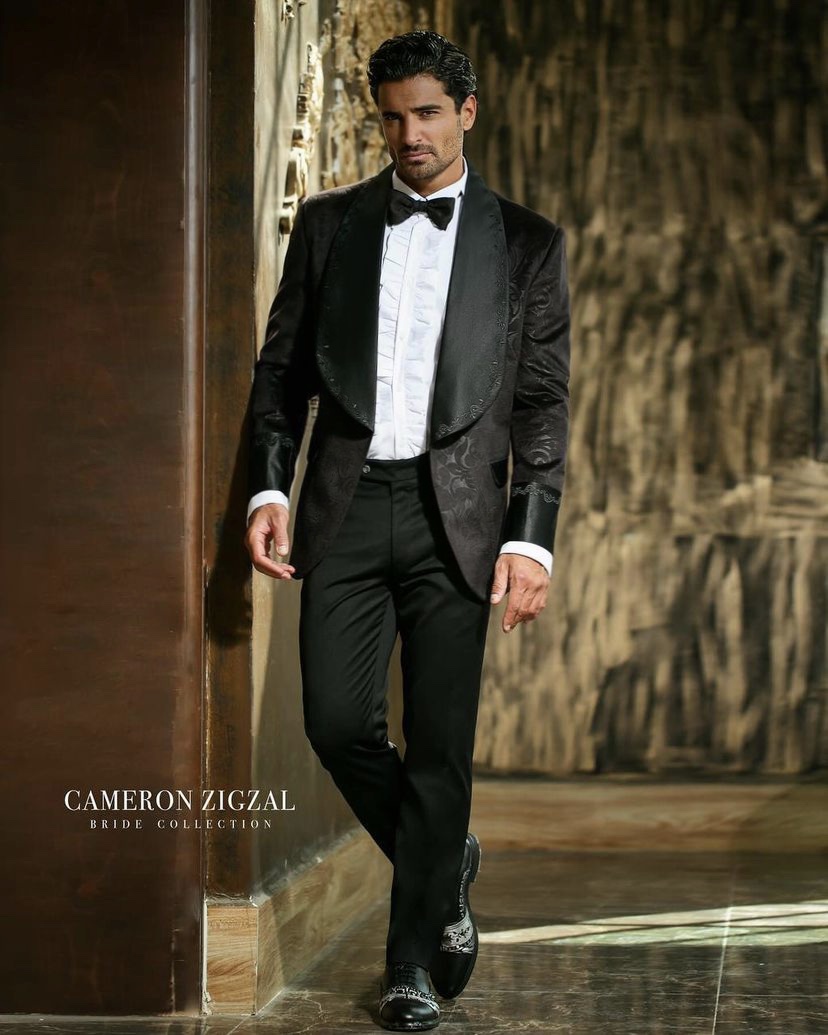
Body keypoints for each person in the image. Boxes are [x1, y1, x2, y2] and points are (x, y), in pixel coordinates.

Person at [244, 30, 570, 1033]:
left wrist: (530, 537)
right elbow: (280, 374)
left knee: (439, 747)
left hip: (459, 521)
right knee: (338, 724)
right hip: (345, 506)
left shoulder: (528, 244)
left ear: (466, 112)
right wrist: (267, 491)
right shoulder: (329, 225)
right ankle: (443, 859)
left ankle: (410, 965)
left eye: (427, 113)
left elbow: (541, 404)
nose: (409, 134)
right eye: (392, 117)